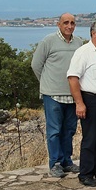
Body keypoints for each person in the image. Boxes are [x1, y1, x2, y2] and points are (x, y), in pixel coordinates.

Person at [32, 13, 84, 178]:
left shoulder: (78, 43)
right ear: (59, 24)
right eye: (66, 23)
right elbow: (36, 65)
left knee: (69, 130)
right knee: (54, 131)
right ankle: (55, 163)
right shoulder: (48, 41)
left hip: (72, 95)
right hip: (53, 95)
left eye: (72, 23)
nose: (69, 26)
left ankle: (66, 161)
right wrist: (47, 83)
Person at [66, 21, 96, 187]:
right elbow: (73, 78)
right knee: (91, 138)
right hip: (91, 99)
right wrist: (79, 103)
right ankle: (86, 173)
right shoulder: (84, 52)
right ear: (93, 33)